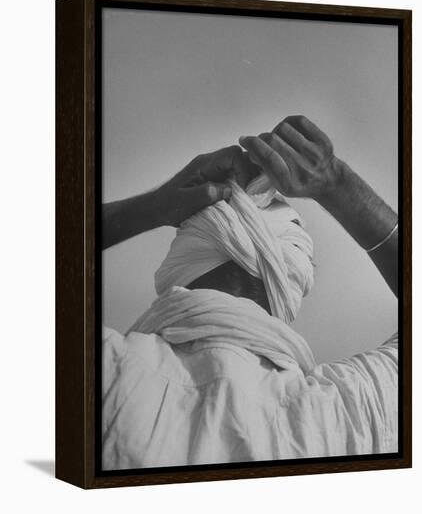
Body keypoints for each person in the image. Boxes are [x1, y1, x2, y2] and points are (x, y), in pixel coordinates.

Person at [102, 116, 398, 469]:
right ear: (297, 275)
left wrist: (155, 206)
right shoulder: (347, 411)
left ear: (179, 256)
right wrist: (335, 181)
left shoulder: (109, 370)